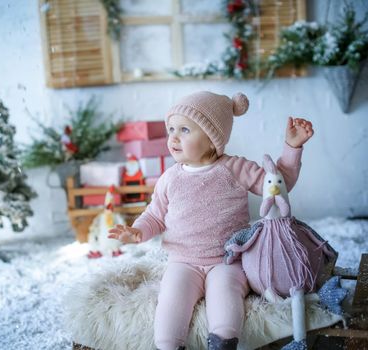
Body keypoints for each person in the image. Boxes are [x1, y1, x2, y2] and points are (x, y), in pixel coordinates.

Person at [108, 91, 314, 350]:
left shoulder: (234, 168)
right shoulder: (170, 178)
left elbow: (277, 185)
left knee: (226, 300)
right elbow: (154, 214)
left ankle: (223, 342)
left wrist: (291, 148)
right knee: (171, 302)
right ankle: (169, 344)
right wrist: (137, 231)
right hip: (183, 261)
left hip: (227, 259)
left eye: (184, 130)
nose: (173, 137)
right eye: (171, 129)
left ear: (211, 138)